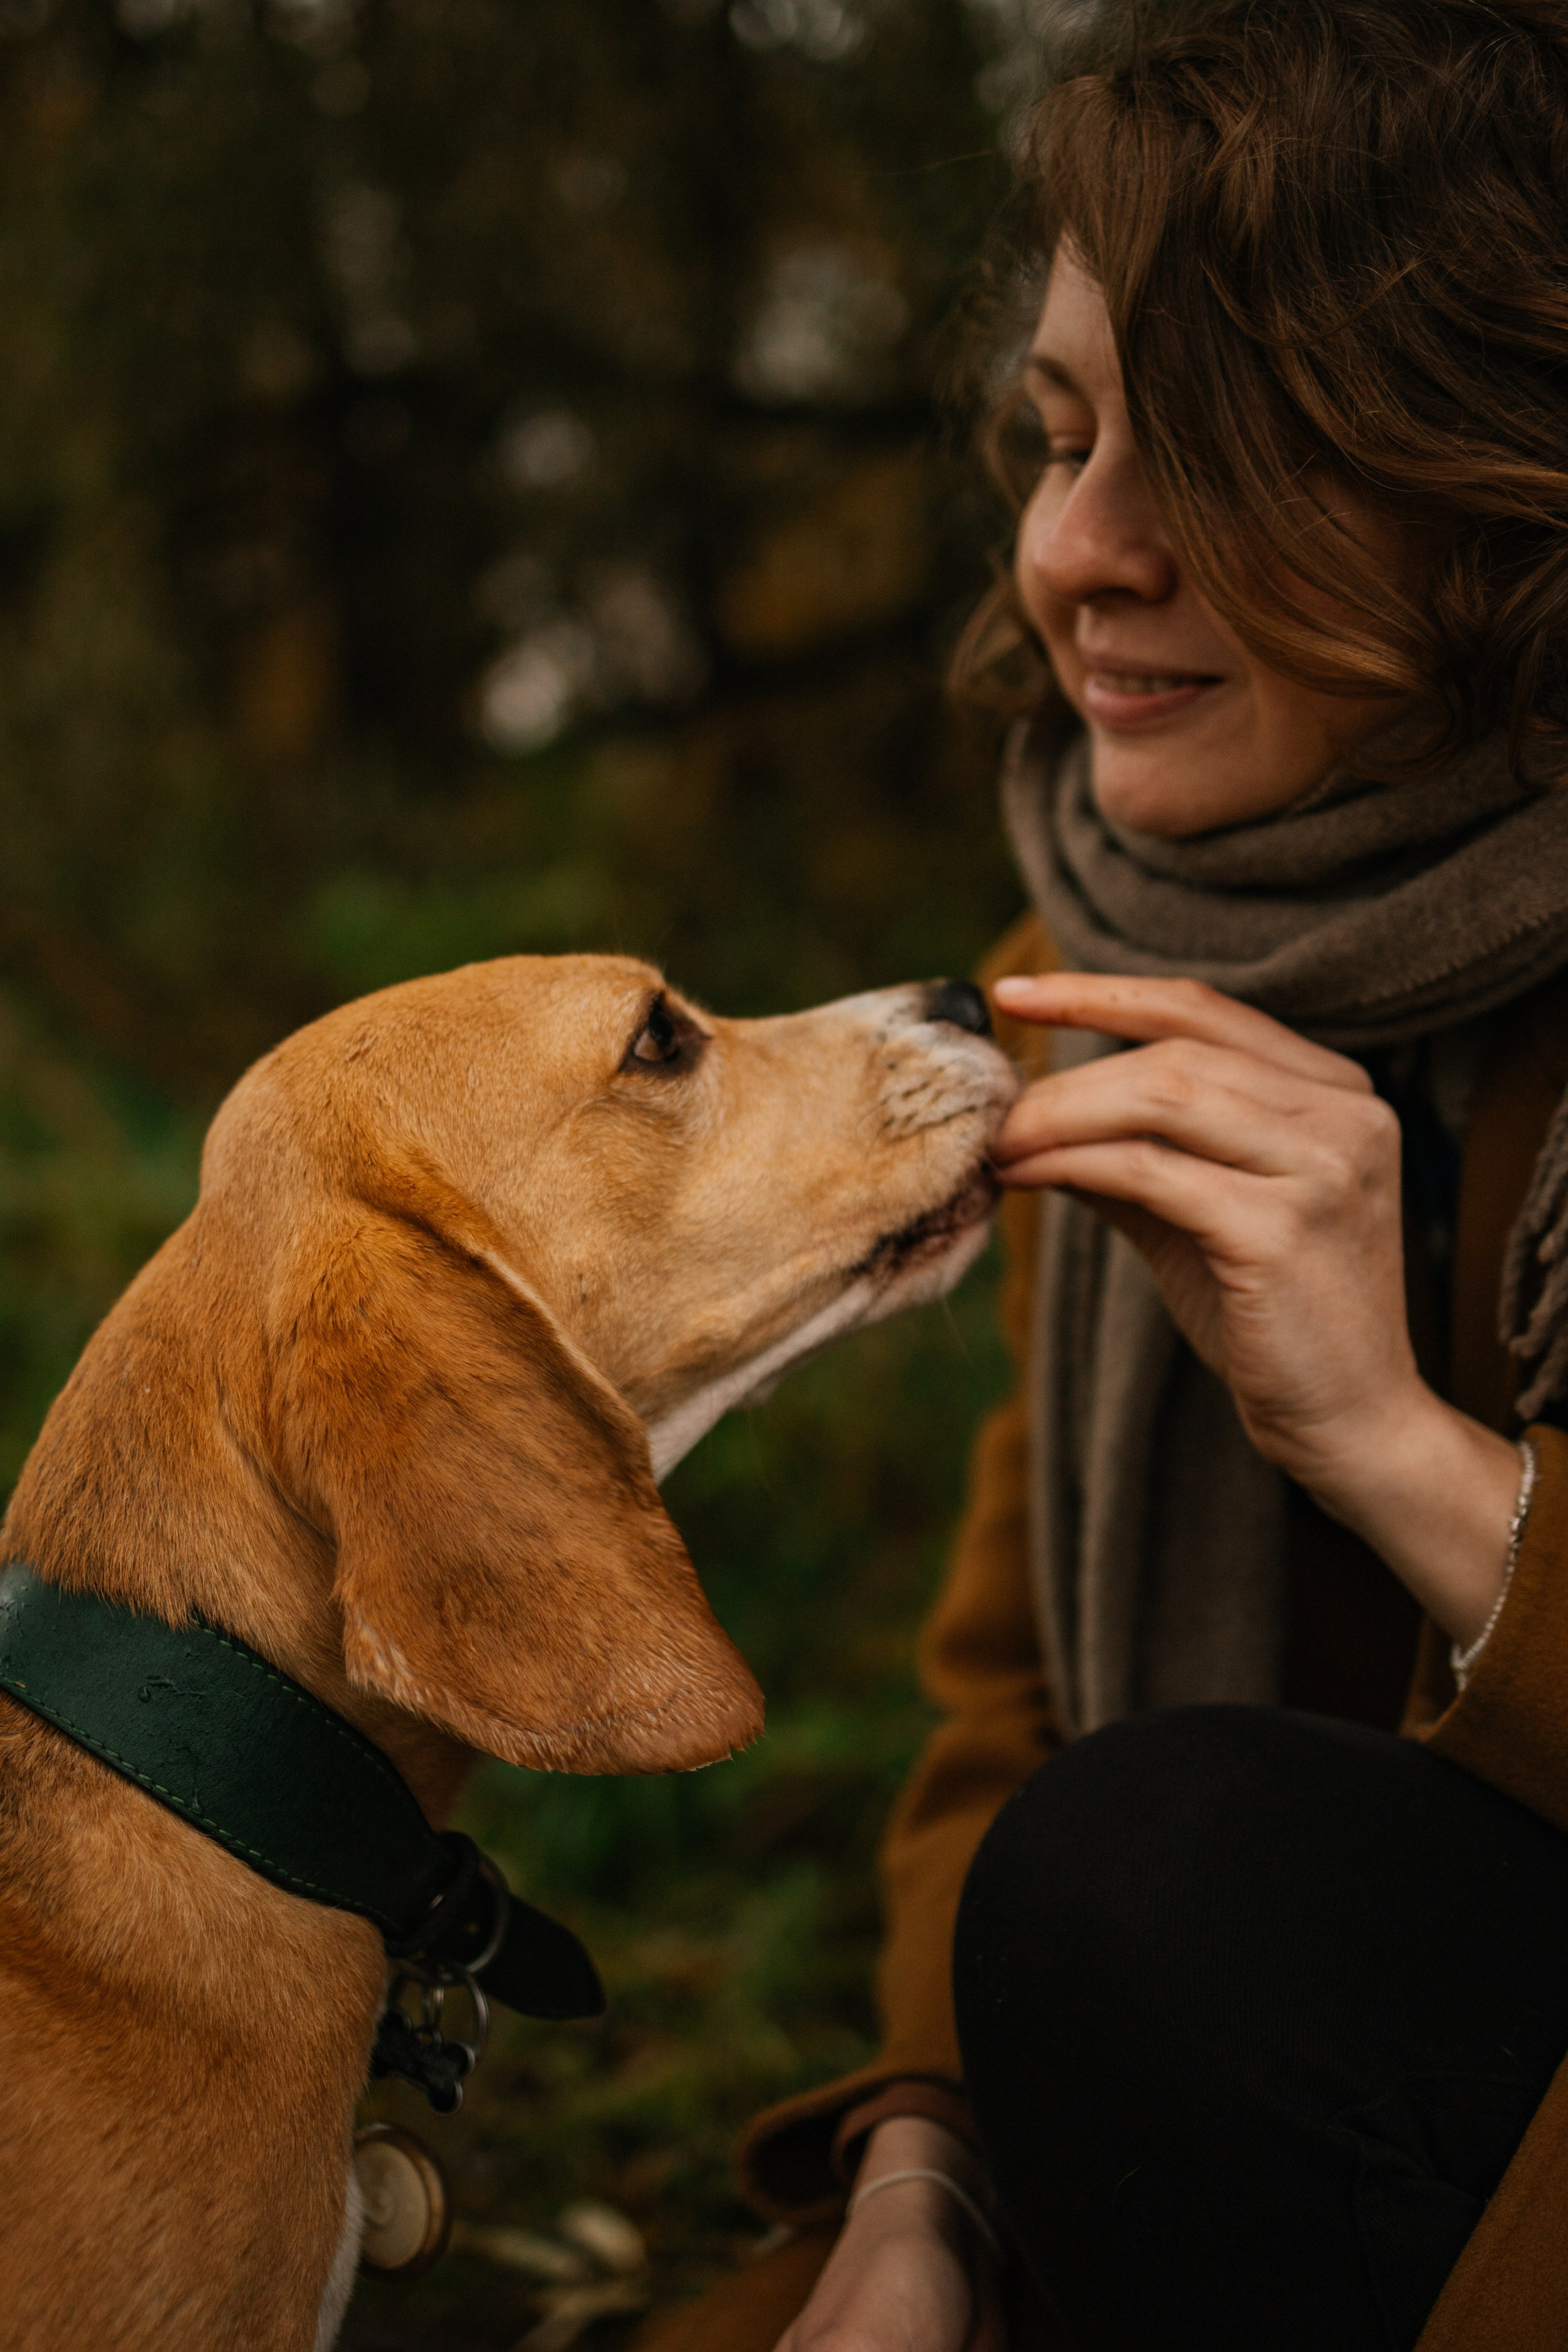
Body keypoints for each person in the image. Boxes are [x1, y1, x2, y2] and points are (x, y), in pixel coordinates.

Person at [639, 2, 1568, 2344]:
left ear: (1493, 487)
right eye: (1061, 437)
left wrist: (1400, 1453)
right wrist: (927, 2181)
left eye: (1221, 463)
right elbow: (1017, 1700)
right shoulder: (1089, 968)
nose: (1075, 551)